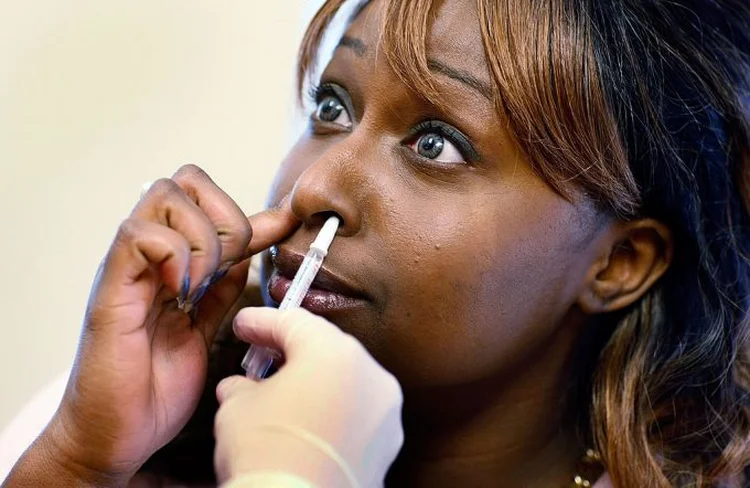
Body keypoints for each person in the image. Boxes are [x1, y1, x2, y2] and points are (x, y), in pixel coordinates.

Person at [6, 0, 750, 486]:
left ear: (620, 263)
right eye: (331, 105)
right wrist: (78, 456)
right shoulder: (132, 437)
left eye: (437, 143)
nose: (317, 187)